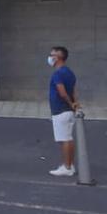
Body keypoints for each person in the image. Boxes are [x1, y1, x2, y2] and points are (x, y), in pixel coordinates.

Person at [47, 46, 80, 177]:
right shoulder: (69, 73)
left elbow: (62, 92)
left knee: (64, 139)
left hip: (61, 110)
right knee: (68, 138)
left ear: (57, 58)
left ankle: (66, 167)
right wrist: (75, 104)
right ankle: (69, 165)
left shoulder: (58, 74)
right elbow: (73, 90)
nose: (49, 57)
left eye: (52, 55)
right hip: (68, 111)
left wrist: (70, 103)